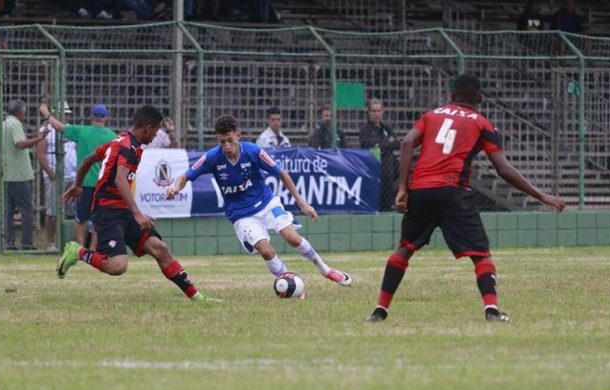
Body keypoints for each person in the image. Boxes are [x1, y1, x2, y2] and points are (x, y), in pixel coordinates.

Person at [366, 74, 566, 323]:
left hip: (422, 189)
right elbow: (503, 169)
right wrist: (543, 195)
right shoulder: (483, 124)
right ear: (480, 98)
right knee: (481, 255)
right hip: (454, 191)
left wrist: (403, 188)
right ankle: (491, 310)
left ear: (452, 96)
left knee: (405, 248)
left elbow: (407, 143)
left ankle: (380, 310)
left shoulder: (431, 115)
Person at [166, 115, 352, 290]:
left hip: (267, 203)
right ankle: (290, 283)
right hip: (241, 215)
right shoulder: (213, 157)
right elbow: (186, 176)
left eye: (230, 140)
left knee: (292, 238)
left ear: (238, 135)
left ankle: (326, 270)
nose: (227, 146)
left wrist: (302, 203)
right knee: (266, 251)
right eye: (222, 142)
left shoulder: (253, 151)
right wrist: (175, 187)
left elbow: (282, 173)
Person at [57, 105, 218, 303]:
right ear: (147, 128)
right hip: (107, 211)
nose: (156, 135)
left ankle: (197, 297)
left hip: (123, 210)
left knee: (160, 248)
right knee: (117, 267)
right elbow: (119, 180)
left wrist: (78, 185)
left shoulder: (120, 141)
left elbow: (87, 161)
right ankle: (78, 251)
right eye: (157, 130)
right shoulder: (127, 146)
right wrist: (137, 213)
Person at [39, 102, 116, 250]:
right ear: (106, 118)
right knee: (98, 219)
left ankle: (81, 248)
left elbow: (59, 127)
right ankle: (93, 249)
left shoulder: (82, 131)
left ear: (91, 116)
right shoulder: (112, 136)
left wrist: (46, 114)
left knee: (81, 217)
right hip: (102, 183)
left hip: (84, 182)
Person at [2, 99, 47, 250]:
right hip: (19, 174)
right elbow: (20, 144)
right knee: (27, 210)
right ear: (20, 111)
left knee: (8, 211)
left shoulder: (4, 123)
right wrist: (39, 138)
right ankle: (27, 242)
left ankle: (9, 242)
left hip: (8, 174)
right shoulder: (14, 124)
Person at [37, 102, 77, 252]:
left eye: (66, 114)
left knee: (72, 211)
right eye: (62, 113)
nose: (65, 116)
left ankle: (69, 240)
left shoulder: (70, 130)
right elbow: (40, 154)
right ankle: (51, 242)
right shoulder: (45, 130)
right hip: (54, 175)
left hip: (71, 175)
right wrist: (50, 173)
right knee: (52, 210)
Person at [358, 98, 399, 212]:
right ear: (369, 112)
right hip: (372, 166)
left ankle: (387, 207)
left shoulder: (386, 128)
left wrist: (382, 145)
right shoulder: (365, 129)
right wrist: (387, 142)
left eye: (378, 111)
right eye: (374, 111)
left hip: (387, 165)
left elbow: (396, 143)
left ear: (382, 112)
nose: (376, 114)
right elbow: (369, 144)